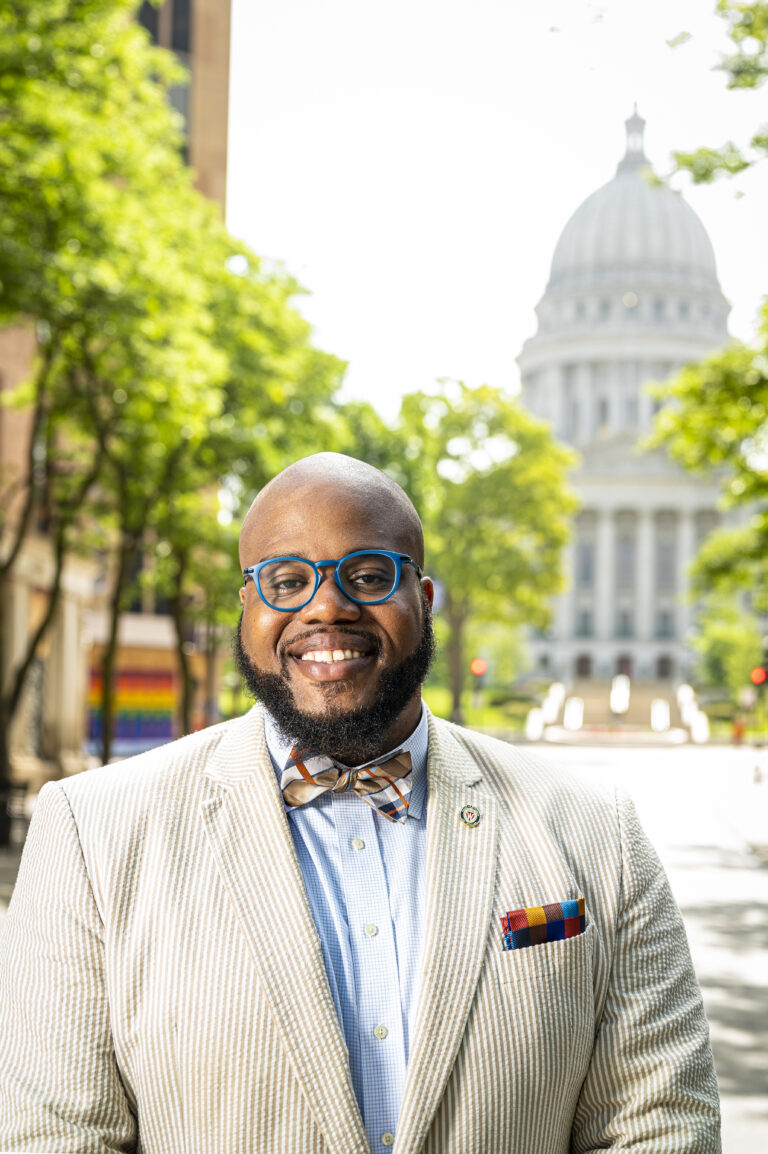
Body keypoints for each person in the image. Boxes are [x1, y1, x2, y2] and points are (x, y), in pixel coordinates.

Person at [0, 453, 720, 1153]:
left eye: (369, 575)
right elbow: (56, 1134)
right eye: (286, 580)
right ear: (247, 607)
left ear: (425, 600)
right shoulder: (91, 834)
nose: (327, 607)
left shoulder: (598, 833)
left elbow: (659, 1124)